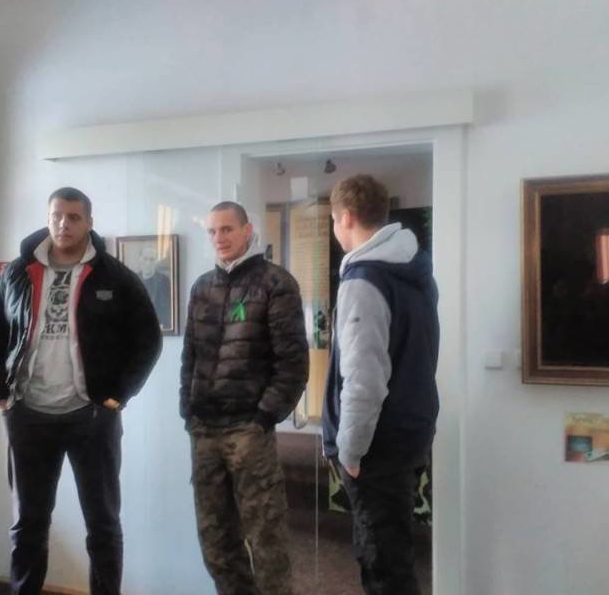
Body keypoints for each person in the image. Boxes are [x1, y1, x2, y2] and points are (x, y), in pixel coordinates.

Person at [0, 187, 162, 595]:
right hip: (28, 415)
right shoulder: (17, 273)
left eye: (74, 217)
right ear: (48, 219)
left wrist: (118, 395)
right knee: (28, 524)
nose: (64, 224)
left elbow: (148, 340)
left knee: (103, 525)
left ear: (89, 223)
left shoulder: (115, 276)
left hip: (92, 417)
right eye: (57, 216)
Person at [180, 201, 308, 595]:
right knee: (216, 544)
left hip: (248, 431)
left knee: (266, 541)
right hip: (205, 431)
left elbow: (293, 364)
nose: (219, 238)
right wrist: (188, 409)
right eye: (212, 231)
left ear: (247, 230)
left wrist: (263, 418)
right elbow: (190, 357)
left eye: (227, 229)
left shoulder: (276, 283)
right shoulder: (202, 287)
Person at [322, 174, 439, 595]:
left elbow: (364, 379)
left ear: (346, 217)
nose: (335, 229)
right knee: (395, 556)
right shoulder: (415, 271)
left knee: (382, 566)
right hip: (410, 430)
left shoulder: (364, 280)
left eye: (334, 220)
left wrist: (351, 450)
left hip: (377, 445)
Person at [137, 245, 171, 328]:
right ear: (140, 260)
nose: (148, 263)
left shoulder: (163, 280)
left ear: (156, 262)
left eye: (152, 260)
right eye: (145, 259)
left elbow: (166, 307)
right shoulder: (132, 279)